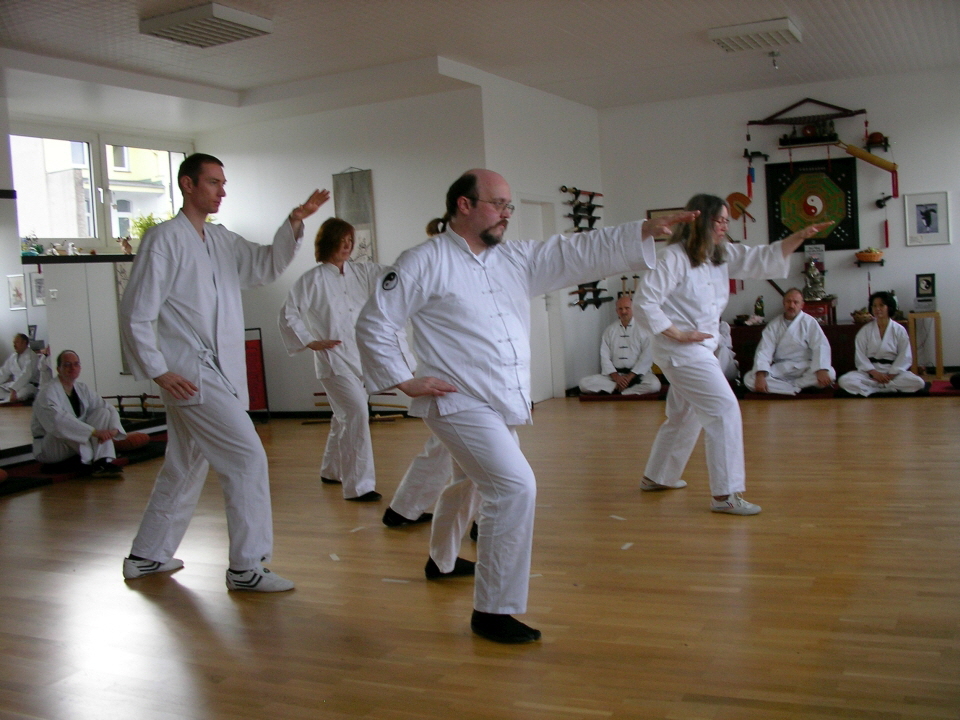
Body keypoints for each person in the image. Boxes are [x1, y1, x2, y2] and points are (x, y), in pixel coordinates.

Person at [356, 168, 695, 643]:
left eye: (511, 205)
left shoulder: (513, 259)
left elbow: (572, 251)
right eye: (498, 204)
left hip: (497, 399)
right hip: (459, 401)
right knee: (514, 487)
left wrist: (640, 231)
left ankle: (443, 559)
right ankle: (492, 611)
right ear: (464, 206)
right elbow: (375, 320)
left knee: (473, 483)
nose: (508, 214)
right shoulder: (423, 261)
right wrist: (402, 379)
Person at [119, 152, 329, 591]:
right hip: (189, 373)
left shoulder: (220, 240)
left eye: (223, 182)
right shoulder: (163, 239)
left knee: (186, 462)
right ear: (187, 184)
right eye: (213, 182)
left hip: (216, 371)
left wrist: (294, 221)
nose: (222, 190)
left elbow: (266, 265)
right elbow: (136, 312)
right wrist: (158, 370)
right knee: (247, 457)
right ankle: (245, 567)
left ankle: (146, 555)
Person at [634, 193, 831, 513]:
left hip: (701, 349)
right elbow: (645, 302)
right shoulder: (673, 258)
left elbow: (760, 258)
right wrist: (678, 333)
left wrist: (799, 236)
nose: (725, 226)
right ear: (699, 220)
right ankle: (725, 495)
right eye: (719, 220)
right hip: (681, 351)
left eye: (727, 220)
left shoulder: (718, 254)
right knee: (724, 410)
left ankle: (658, 476)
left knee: (684, 415)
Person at [279, 217, 391, 502]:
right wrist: (309, 340)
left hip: (359, 359)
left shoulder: (362, 272)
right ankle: (359, 486)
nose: (347, 246)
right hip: (333, 362)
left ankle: (331, 470)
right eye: (341, 240)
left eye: (350, 241)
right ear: (328, 242)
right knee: (355, 413)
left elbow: (395, 275)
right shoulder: (311, 280)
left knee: (344, 416)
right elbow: (289, 312)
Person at [31, 349, 127, 475]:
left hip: (76, 440)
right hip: (51, 445)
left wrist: (114, 430)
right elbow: (58, 422)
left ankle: (102, 461)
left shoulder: (82, 388)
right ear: (58, 368)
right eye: (67, 364)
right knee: (68, 428)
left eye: (76, 364)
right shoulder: (47, 391)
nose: (73, 368)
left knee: (103, 412)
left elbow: (108, 407)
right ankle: (94, 462)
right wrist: (94, 432)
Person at [743, 288, 836, 395]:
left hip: (805, 367)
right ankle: (795, 388)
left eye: (795, 302)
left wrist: (821, 369)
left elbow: (820, 346)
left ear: (802, 305)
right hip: (782, 368)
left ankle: (788, 387)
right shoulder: (774, 325)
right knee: (749, 379)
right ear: (783, 303)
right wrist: (760, 375)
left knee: (831, 373)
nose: (791, 305)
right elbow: (764, 350)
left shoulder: (809, 322)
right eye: (788, 301)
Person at [837, 291, 925, 396]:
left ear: (889, 307)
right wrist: (875, 374)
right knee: (844, 381)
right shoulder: (865, 331)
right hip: (870, 373)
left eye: (881, 305)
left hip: (893, 372)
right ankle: (885, 387)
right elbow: (860, 356)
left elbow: (904, 355)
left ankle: (876, 387)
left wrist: (891, 375)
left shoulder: (899, 330)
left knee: (918, 382)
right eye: (874, 306)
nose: (877, 309)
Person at [578, 294, 661, 396]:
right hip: (615, 376)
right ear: (616, 311)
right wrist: (616, 377)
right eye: (620, 309)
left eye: (627, 308)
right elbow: (604, 357)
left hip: (639, 375)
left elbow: (647, 357)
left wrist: (630, 376)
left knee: (654, 385)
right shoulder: (609, 330)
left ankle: (622, 392)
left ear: (633, 309)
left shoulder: (644, 330)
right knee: (584, 384)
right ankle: (619, 388)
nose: (624, 312)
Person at [0, 333, 39, 403]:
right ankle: (8, 398)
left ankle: (6, 400)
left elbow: (26, 375)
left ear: (24, 343)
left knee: (21, 393)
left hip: (29, 385)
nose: (14, 345)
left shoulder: (32, 356)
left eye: (16, 342)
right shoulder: (13, 357)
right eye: (14, 343)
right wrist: (12, 389)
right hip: (14, 385)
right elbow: (4, 372)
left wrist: (14, 389)